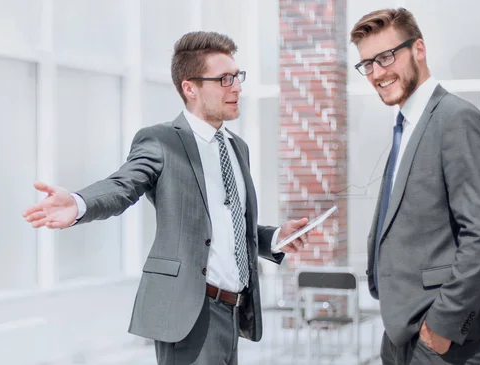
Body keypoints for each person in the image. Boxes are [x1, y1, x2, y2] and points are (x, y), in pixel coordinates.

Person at [23, 31, 308, 365]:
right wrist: (79, 202)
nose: (237, 87)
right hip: (191, 310)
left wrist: (275, 237)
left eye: (238, 77)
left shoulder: (236, 147)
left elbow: (226, 224)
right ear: (190, 87)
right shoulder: (161, 141)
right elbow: (122, 186)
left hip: (233, 312)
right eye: (224, 79)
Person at [350, 8, 480, 365]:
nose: (377, 73)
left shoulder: (456, 119)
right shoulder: (407, 125)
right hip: (401, 329)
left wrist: (441, 328)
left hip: (441, 337)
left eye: (386, 57)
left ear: (418, 49)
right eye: (367, 64)